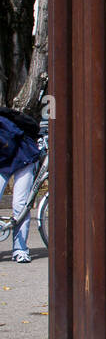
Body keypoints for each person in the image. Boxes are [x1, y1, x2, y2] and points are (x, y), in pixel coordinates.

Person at [0, 107, 40, 264]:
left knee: (20, 204)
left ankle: (20, 249)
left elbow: (10, 142)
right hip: (3, 160)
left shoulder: (3, 123)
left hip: (23, 157)